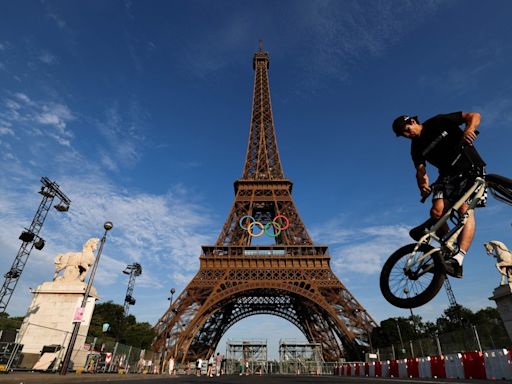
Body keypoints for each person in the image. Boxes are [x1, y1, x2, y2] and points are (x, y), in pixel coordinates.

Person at [392, 112, 486, 278]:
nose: (408, 135)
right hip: (446, 175)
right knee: (436, 212)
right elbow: (421, 171)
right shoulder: (415, 147)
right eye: (404, 135)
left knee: (465, 209)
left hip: (468, 165)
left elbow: (473, 115)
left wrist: (469, 129)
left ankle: (459, 258)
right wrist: (423, 186)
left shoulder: (437, 121)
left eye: (407, 130)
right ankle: (449, 245)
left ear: (413, 121)